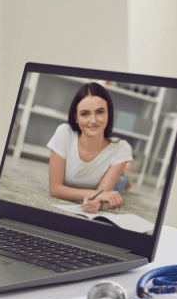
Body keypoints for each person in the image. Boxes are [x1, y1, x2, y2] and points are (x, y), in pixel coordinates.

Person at [47, 82, 133, 214]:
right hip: (96, 186)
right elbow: (55, 189)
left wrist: (97, 203)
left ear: (108, 114)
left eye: (100, 112)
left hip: (114, 171)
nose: (93, 121)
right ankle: (125, 168)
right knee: (112, 192)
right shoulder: (64, 133)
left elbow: (101, 197)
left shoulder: (122, 148)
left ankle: (125, 171)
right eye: (85, 114)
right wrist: (96, 195)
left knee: (120, 184)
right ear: (76, 117)